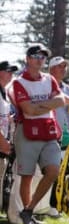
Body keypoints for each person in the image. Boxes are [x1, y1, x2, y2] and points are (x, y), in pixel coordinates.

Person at [7, 44, 69, 224]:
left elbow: (60, 101)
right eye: (36, 56)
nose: (40, 59)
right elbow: (28, 110)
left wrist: (39, 106)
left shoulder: (50, 79)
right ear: (28, 59)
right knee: (26, 176)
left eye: (43, 57)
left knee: (53, 171)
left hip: (49, 130)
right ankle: (27, 216)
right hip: (26, 131)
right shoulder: (18, 82)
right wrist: (48, 103)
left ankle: (28, 210)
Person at [0, 60, 18, 213]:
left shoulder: (4, 92)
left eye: (12, 71)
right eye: (8, 70)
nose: (11, 74)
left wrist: (11, 118)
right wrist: (3, 143)